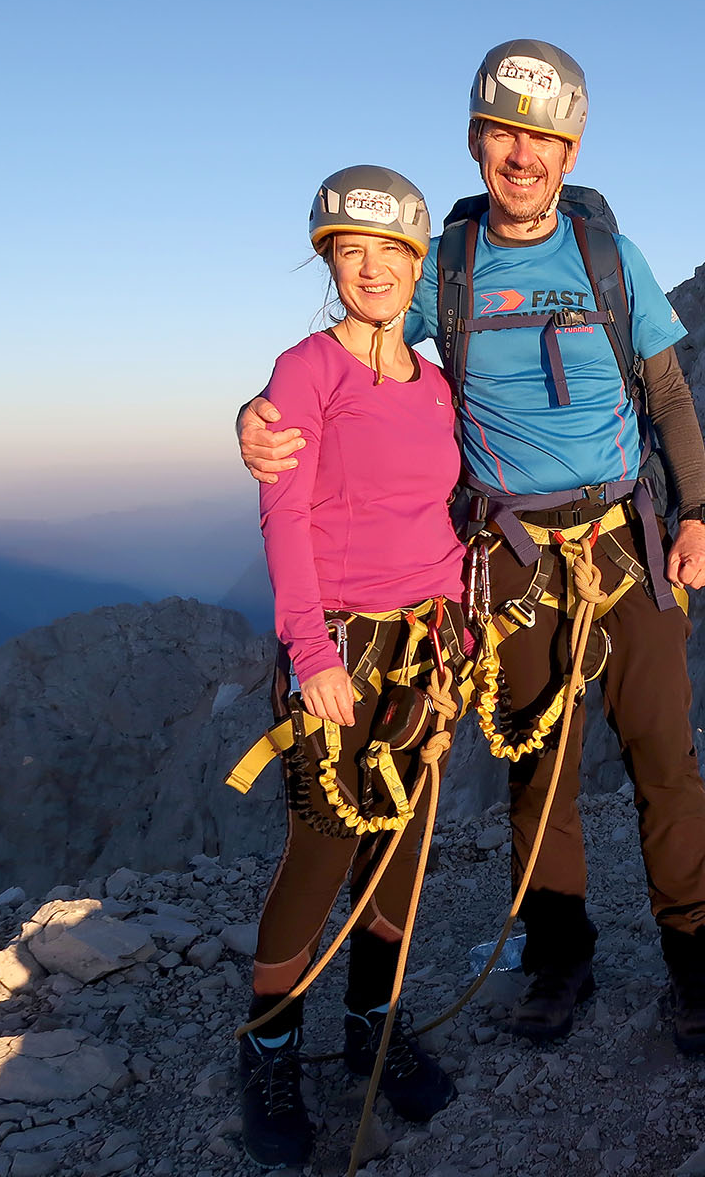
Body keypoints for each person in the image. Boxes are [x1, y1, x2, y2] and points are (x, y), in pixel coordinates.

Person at [239, 40, 705, 1056]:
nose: (523, 155)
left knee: (662, 752)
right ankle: (558, 956)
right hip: (508, 555)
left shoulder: (610, 257)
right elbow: (360, 342)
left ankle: (695, 961)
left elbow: (669, 393)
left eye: (543, 137)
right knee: (538, 762)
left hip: (624, 537)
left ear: (572, 147)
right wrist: (257, 412)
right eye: (505, 132)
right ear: (476, 142)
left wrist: (695, 514)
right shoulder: (448, 269)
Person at [232, 165, 469, 1168]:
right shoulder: (305, 369)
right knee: (321, 851)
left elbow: (440, 517)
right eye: (350, 253)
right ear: (332, 262)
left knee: (403, 850)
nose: (370, 269)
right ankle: (269, 1049)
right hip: (337, 642)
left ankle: (373, 1025)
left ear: (418, 264)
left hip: (423, 644)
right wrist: (309, 650)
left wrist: (455, 627)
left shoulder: (437, 381)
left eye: (389, 253)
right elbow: (283, 517)